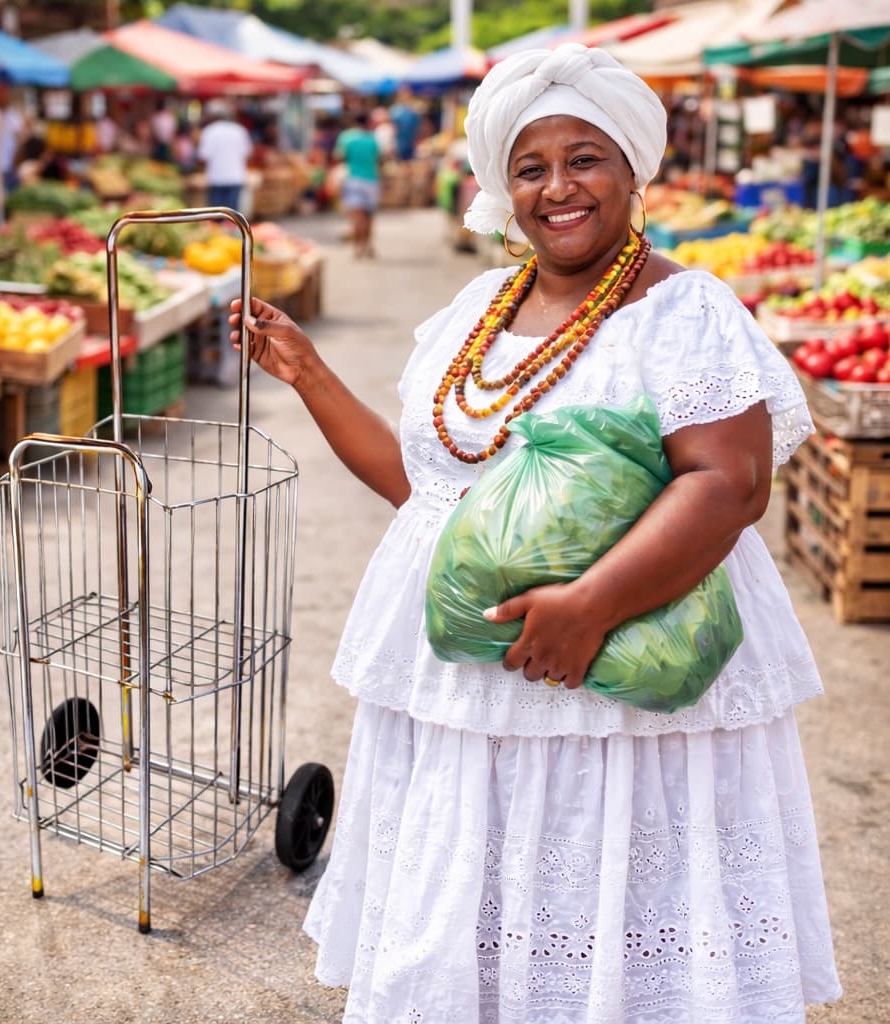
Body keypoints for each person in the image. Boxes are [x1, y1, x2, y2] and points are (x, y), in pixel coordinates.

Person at [229, 43, 840, 1023]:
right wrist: (305, 373)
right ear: (500, 186)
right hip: (465, 693)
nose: (558, 187)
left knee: (608, 919)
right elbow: (427, 489)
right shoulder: (479, 308)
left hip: (622, 692)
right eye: (529, 167)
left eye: (585, 157)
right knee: (478, 923)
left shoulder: (682, 311)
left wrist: (591, 605)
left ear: (634, 168)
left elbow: (730, 482)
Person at [334, 111, 381, 259]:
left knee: (356, 217)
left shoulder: (347, 138)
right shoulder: (372, 139)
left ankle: (357, 248)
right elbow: (379, 159)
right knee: (369, 216)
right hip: (371, 180)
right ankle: (367, 246)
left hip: (353, 179)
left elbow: (339, 156)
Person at [197, 100, 252, 213]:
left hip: (216, 178)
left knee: (215, 216)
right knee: (232, 216)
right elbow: (247, 153)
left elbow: (203, 157)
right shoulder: (239, 130)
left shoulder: (210, 131)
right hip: (235, 177)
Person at [389, 84, 422, 161]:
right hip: (398, 145)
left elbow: (417, 128)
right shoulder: (395, 109)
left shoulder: (414, 110)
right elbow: (393, 128)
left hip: (411, 145)